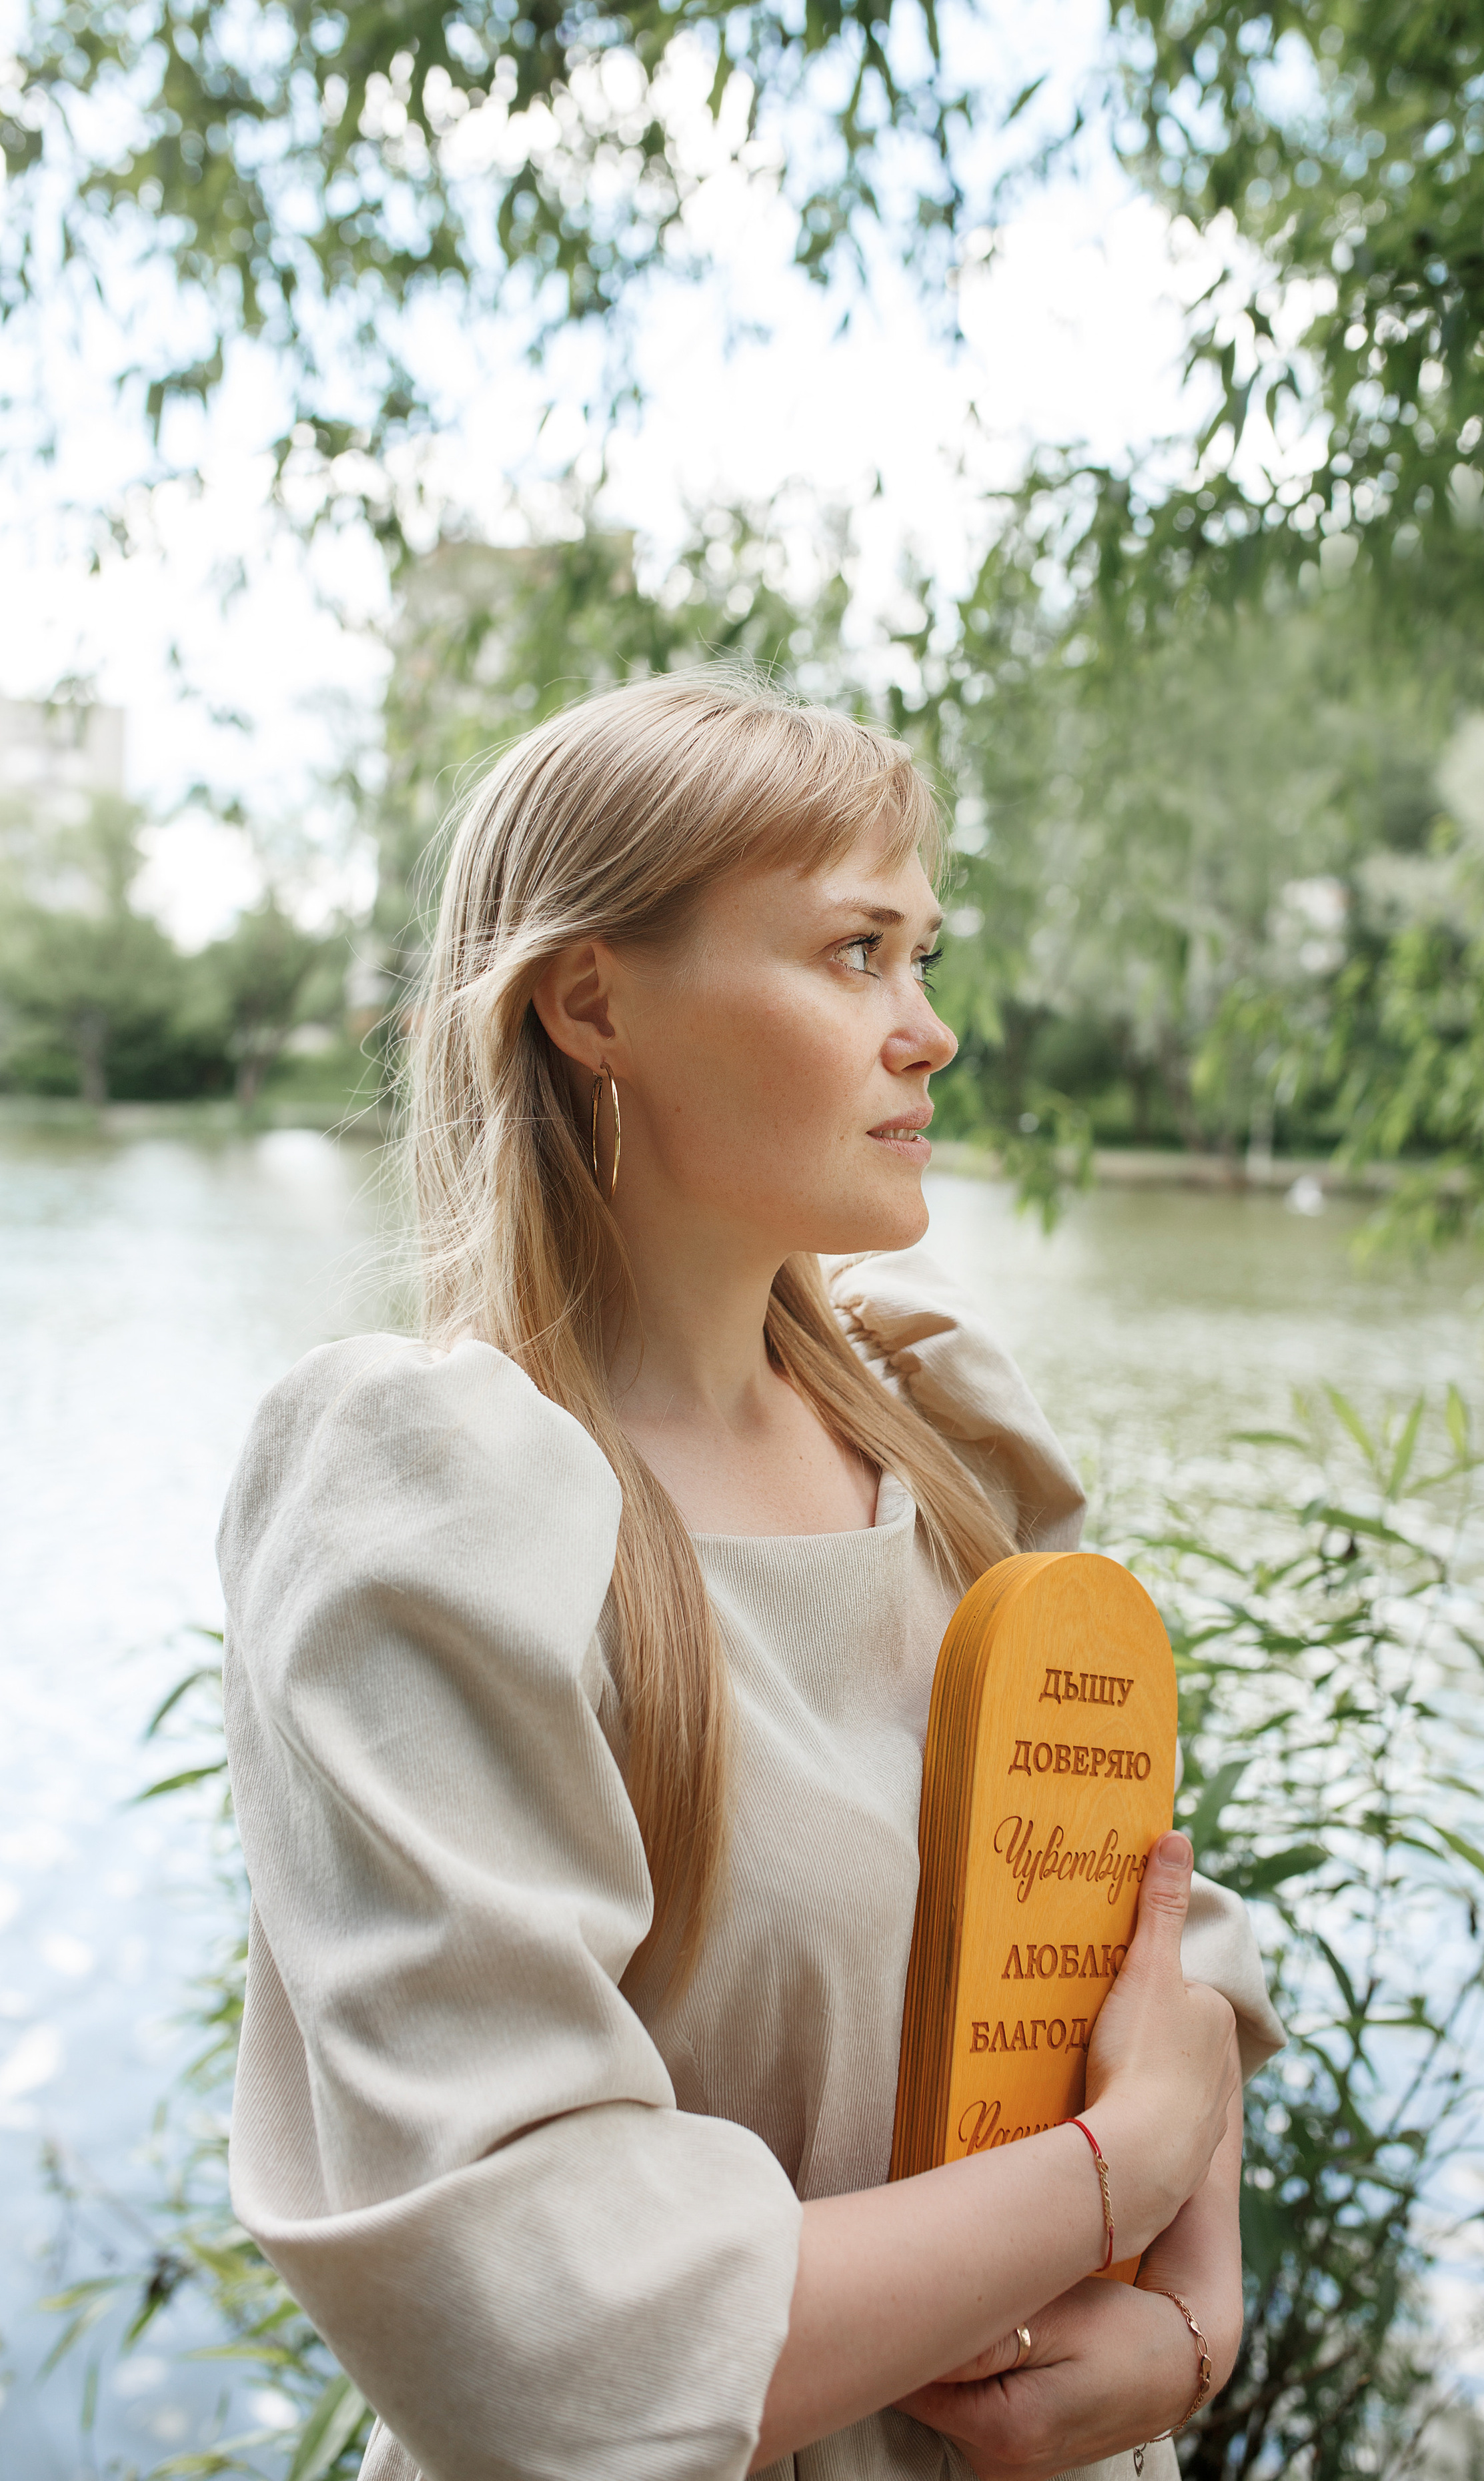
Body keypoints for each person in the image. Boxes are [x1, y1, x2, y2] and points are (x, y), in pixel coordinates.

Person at [219, 671, 1284, 2481]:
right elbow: (547, 2324)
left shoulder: (947, 1440)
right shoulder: (439, 1507)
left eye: (922, 953)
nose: (930, 1029)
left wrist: (1197, 2320)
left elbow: (1158, 1948)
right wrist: (1111, 2174)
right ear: (592, 1002)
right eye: (856, 952)